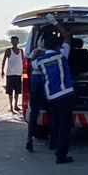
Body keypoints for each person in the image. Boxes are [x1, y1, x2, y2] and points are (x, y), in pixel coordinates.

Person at [35, 27, 75, 164]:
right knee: (65, 127)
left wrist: (39, 49)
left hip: (51, 97)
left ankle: (53, 144)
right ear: (58, 46)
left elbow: (31, 59)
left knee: (54, 123)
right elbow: (68, 39)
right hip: (65, 95)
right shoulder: (61, 55)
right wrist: (56, 24)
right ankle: (61, 155)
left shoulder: (40, 61)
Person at [1, 35, 25, 114]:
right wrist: (2, 70)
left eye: (16, 41)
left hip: (18, 73)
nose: (14, 42)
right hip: (10, 74)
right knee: (10, 91)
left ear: (18, 42)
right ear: (11, 42)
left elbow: (23, 61)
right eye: (13, 41)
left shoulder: (21, 51)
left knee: (17, 91)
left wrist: (24, 71)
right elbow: (4, 60)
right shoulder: (8, 50)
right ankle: (11, 106)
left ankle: (15, 105)